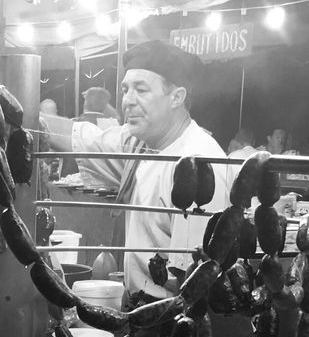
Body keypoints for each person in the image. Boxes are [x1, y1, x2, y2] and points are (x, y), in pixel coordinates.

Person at [42, 40, 232, 304]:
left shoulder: (199, 164)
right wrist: (29, 119)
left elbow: (194, 278)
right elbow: (85, 139)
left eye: (141, 90)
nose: (128, 101)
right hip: (140, 312)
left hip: (173, 323)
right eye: (125, 89)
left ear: (177, 97)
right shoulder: (141, 144)